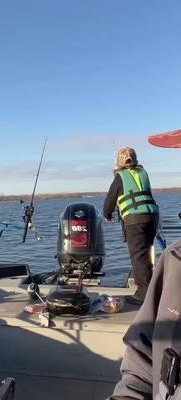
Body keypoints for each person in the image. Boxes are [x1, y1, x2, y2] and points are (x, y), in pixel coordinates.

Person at [108, 239, 181, 400]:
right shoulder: (175, 260)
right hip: (145, 218)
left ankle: (142, 291)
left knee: (138, 249)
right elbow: (142, 366)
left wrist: (108, 212)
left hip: (135, 220)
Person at [103, 147, 159, 305]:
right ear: (135, 159)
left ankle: (143, 294)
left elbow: (110, 199)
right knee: (147, 254)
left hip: (135, 219)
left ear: (119, 162)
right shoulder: (143, 172)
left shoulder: (120, 176)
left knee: (139, 256)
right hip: (152, 216)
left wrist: (107, 215)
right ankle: (150, 289)